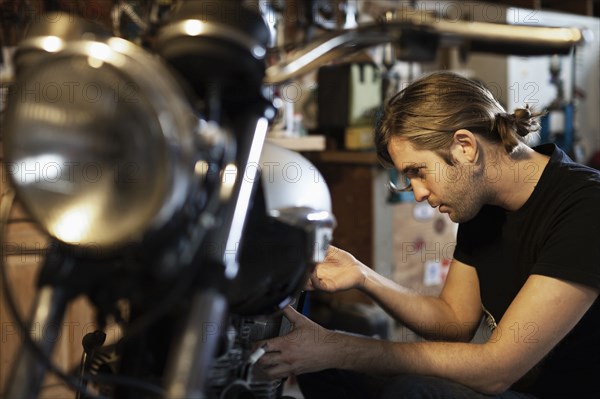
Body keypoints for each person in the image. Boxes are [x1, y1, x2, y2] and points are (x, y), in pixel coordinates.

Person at [258, 71, 600, 398]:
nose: (418, 193)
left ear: (465, 146)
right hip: (516, 387)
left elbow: (498, 369)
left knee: (412, 391)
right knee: (325, 367)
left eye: (418, 172)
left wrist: (340, 348)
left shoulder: (585, 205)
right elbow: (453, 320)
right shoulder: (483, 204)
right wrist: (362, 275)